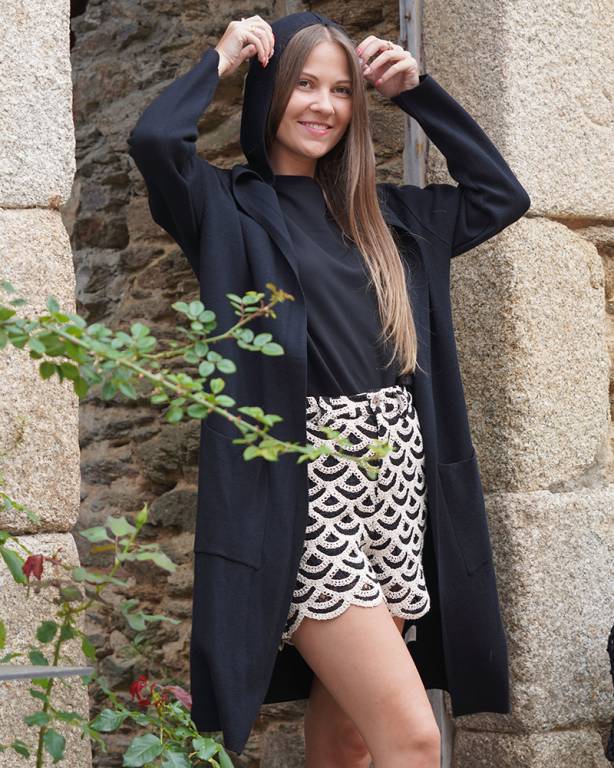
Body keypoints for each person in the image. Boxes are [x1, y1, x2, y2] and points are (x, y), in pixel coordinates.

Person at [127, 10, 531, 765]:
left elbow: (500, 195)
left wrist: (417, 93)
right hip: (308, 489)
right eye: (304, 84)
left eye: (342, 90)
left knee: (347, 738)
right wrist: (221, 58)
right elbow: (155, 141)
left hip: (396, 481)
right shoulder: (228, 209)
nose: (323, 105)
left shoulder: (389, 217)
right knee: (413, 737)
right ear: (269, 94)